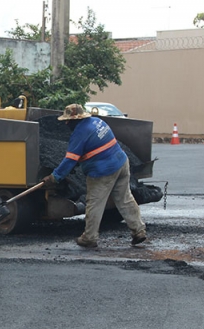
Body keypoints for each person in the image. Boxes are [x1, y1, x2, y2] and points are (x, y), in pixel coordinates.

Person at [42, 103, 147, 249]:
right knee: (125, 199)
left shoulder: (80, 133)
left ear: (75, 120)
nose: (66, 123)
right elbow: (94, 148)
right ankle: (139, 231)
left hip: (103, 171)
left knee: (94, 203)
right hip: (121, 163)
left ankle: (89, 238)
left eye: (68, 120)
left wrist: (54, 177)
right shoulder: (97, 122)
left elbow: (69, 160)